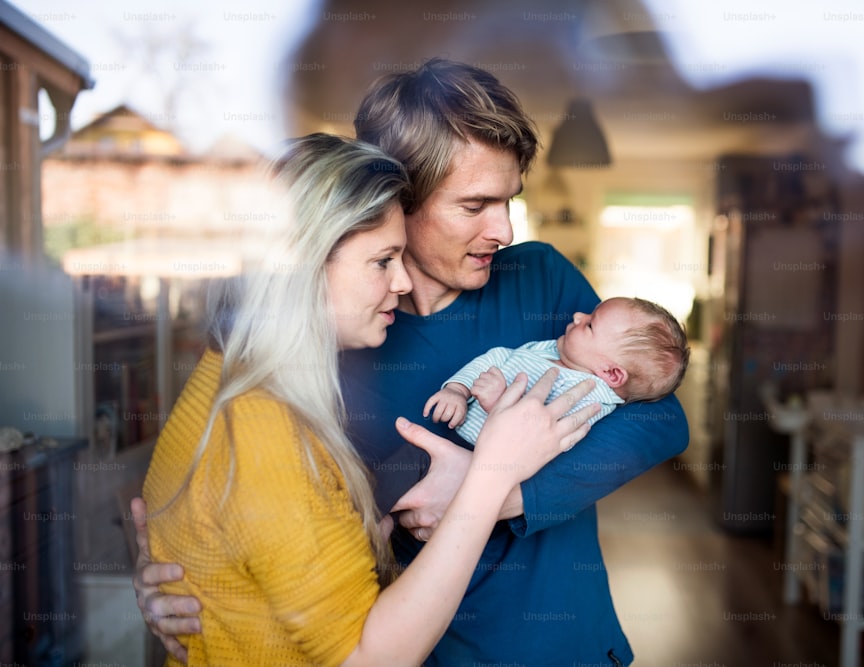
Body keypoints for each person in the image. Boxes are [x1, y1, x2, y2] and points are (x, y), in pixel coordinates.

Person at [133, 59, 689, 666]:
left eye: (509, 201)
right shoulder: (329, 346)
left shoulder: (542, 280)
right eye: (475, 205)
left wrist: (503, 493)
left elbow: (658, 419)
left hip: (563, 646)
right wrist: (190, 583)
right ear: (404, 195)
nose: (503, 229)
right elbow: (259, 519)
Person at [425, 296, 691, 445]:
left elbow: (539, 439)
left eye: (589, 325)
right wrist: (457, 390)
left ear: (611, 374)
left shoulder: (589, 399)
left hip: (480, 466)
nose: (577, 316)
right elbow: (498, 357)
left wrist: (498, 403)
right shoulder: (551, 350)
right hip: (450, 440)